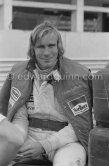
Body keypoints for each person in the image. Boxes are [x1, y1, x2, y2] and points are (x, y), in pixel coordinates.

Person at [0, 21, 93, 166]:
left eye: (51, 45)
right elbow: (20, 117)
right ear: (33, 49)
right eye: (40, 46)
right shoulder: (20, 73)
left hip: (66, 141)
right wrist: (18, 138)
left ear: (59, 46)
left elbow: (80, 124)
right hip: (29, 136)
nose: (46, 53)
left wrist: (45, 145)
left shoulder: (78, 75)